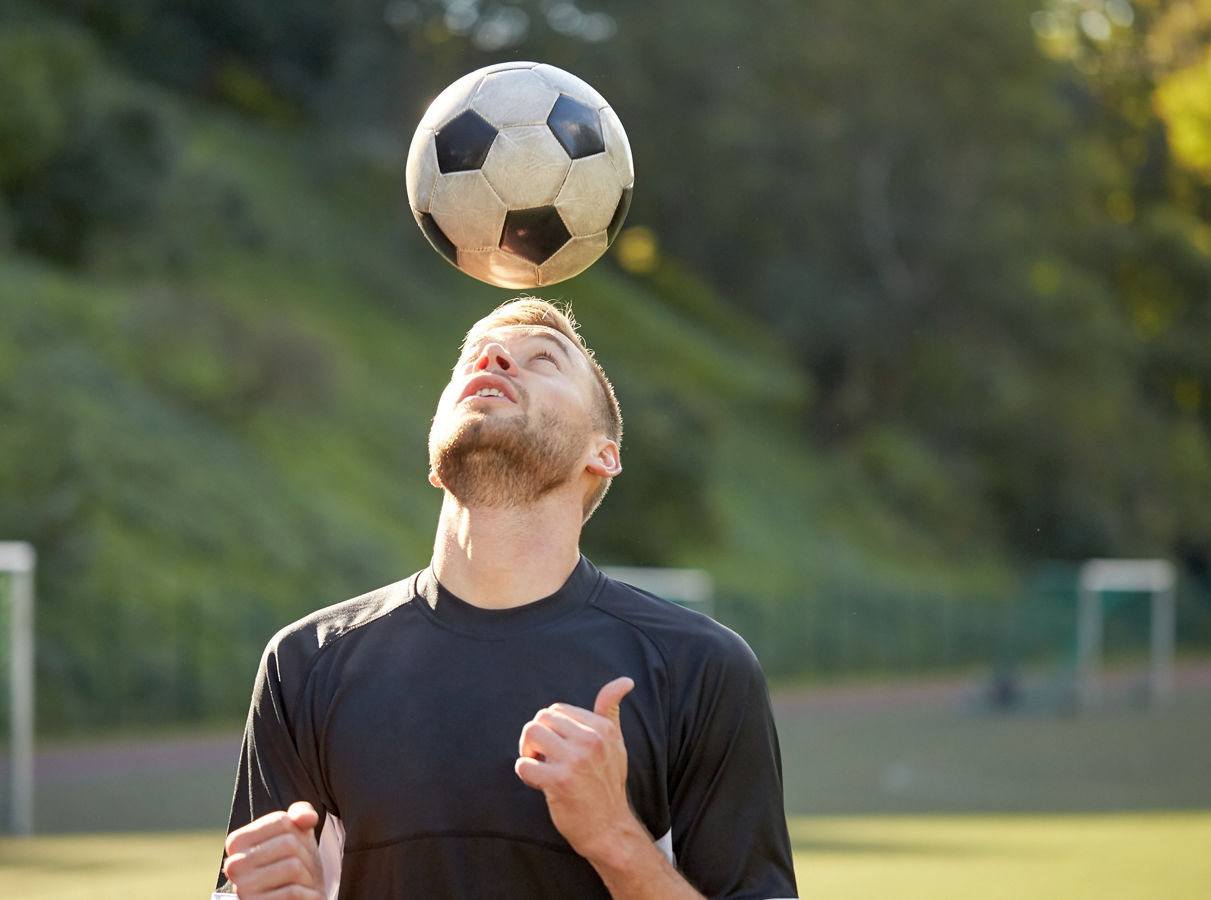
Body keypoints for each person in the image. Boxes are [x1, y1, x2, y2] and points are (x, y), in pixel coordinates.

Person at [213, 298, 797, 900]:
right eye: (473, 358)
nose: (492, 358)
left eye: (543, 358)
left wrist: (616, 839)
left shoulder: (701, 669)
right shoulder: (305, 664)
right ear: (435, 455)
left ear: (604, 455)